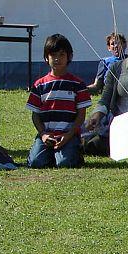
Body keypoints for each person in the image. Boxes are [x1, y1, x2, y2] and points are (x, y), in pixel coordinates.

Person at [83, 26, 128, 156]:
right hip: (117, 122)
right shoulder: (116, 67)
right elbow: (106, 98)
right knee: (90, 142)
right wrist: (97, 115)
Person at [26, 34, 91, 169]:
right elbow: (35, 115)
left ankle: (75, 153)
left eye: (62, 54)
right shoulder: (39, 85)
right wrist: (43, 134)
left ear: (69, 57)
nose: (57, 59)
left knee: (65, 163)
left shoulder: (78, 84)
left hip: (69, 135)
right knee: (35, 163)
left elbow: (81, 115)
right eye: (53, 55)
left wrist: (69, 135)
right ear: (46, 57)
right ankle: (49, 153)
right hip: (47, 135)